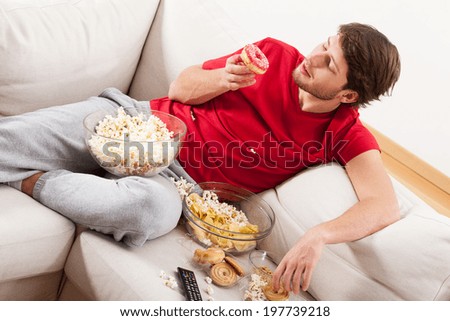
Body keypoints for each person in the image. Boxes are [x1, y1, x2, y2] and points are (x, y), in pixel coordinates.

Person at [0, 22, 401, 295]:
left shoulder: (344, 133)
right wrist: (224, 77)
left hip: (177, 185)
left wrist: (318, 236)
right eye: (324, 46)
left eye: (328, 64)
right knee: (9, 141)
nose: (313, 58)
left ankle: (29, 180)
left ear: (348, 94)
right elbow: (181, 86)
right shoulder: (273, 54)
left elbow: (382, 205)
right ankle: (34, 162)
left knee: (147, 214)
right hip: (145, 125)